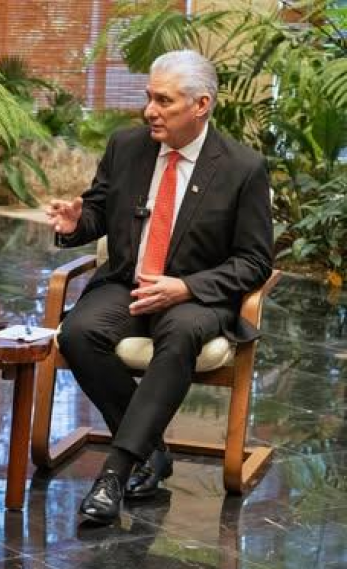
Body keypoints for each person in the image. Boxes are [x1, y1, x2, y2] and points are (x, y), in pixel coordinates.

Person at [45, 50, 273, 524]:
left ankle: (115, 472)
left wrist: (184, 287)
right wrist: (75, 224)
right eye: (149, 97)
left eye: (163, 101)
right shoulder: (126, 146)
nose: (149, 110)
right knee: (78, 333)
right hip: (128, 282)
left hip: (196, 295)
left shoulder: (242, 168)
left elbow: (254, 262)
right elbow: (98, 211)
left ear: (201, 105)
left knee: (180, 333)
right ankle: (152, 449)